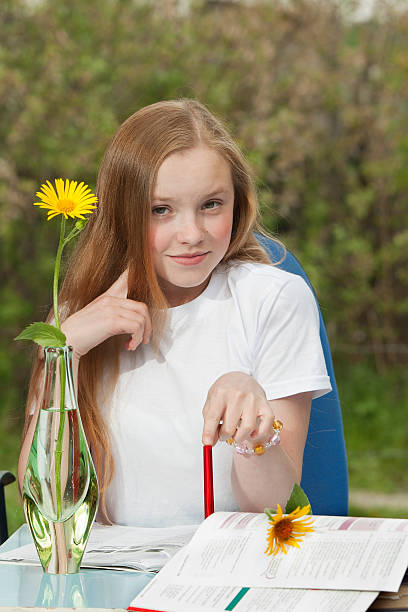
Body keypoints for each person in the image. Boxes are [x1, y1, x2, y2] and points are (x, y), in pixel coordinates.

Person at [18, 98, 331, 527]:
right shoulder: (73, 322)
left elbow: (273, 506)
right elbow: (47, 507)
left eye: (212, 205)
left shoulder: (274, 299)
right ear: (123, 214)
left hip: (227, 570)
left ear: (237, 203)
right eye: (160, 210)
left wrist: (254, 430)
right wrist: (64, 355)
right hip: (115, 575)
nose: (191, 234)